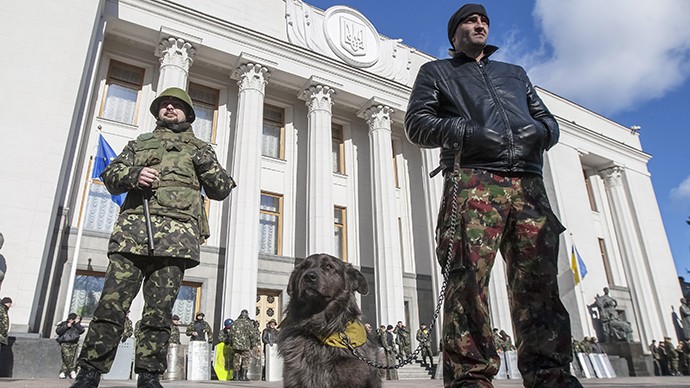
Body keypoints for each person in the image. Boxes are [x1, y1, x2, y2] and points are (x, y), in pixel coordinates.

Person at [404, 4, 582, 387]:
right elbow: (417, 125)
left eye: (484, 20)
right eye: (470, 20)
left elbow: (548, 121)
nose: (480, 24)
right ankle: (470, 375)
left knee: (538, 282)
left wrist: (542, 133)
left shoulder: (514, 74)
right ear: (454, 35)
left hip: (528, 184)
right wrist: (468, 132)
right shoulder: (436, 72)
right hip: (473, 179)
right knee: (468, 279)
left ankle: (549, 372)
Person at [70, 87, 235, 388]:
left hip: (175, 243)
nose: (169, 108)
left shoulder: (200, 149)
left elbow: (221, 188)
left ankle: (148, 375)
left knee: (159, 312)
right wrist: (134, 175)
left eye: (176, 105)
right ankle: (89, 372)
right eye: (164, 104)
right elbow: (109, 176)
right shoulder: (139, 144)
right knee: (111, 306)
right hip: (132, 237)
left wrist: (203, 160)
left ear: (188, 113)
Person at [229, 310, 259, 381]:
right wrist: (253, 344)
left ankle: (235, 376)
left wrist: (231, 343)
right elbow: (252, 335)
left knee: (236, 360)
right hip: (245, 345)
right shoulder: (248, 323)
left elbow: (231, 334)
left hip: (236, 345)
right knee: (245, 360)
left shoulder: (235, 322)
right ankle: (243, 376)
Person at [56, 313, 86, 379]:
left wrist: (77, 324)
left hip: (74, 343)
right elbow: (58, 331)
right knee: (67, 356)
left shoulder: (76, 325)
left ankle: (63, 372)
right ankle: (72, 370)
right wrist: (66, 326)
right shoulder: (64, 323)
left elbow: (82, 330)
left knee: (70, 358)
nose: (72, 321)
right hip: (65, 342)